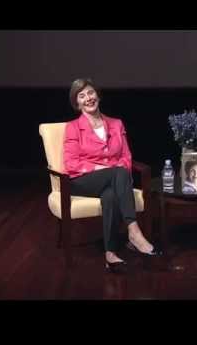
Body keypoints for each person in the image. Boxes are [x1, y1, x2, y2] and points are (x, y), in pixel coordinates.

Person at [63, 78, 162, 272]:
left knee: (110, 195)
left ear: (98, 95)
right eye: (81, 96)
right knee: (118, 172)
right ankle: (134, 232)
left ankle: (110, 253)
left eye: (90, 93)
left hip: (113, 179)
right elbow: (71, 163)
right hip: (82, 180)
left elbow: (126, 157)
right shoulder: (73, 127)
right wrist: (103, 169)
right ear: (77, 104)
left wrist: (115, 171)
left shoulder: (116, 124)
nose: (88, 98)